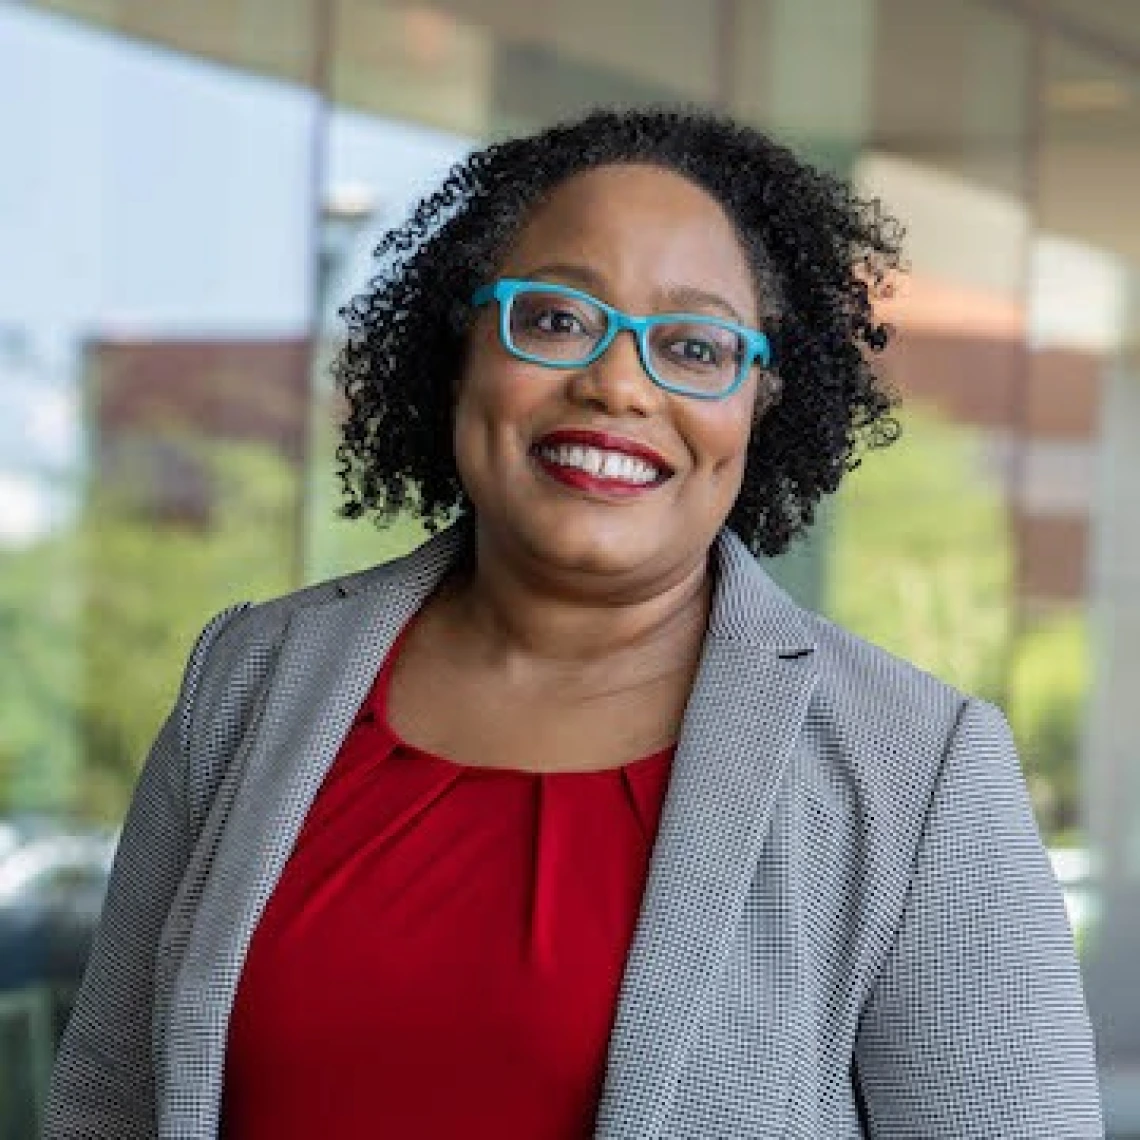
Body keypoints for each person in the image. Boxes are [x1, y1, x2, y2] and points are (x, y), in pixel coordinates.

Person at [45, 107, 1102, 1139]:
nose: (614, 384)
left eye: (692, 347)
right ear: (466, 349)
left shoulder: (916, 768)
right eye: (555, 320)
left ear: (761, 401)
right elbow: (108, 1106)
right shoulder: (253, 677)